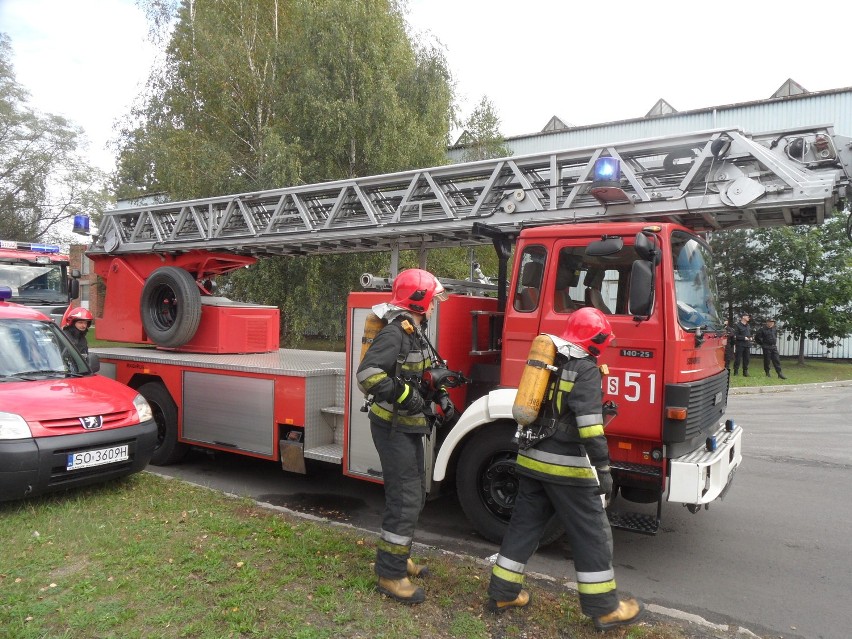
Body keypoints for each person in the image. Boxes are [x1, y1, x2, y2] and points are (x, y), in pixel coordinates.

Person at [485, 307, 645, 631]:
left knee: (524, 528)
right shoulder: (585, 369)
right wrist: (603, 468)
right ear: (595, 340)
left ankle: (502, 592)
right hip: (566, 468)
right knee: (592, 533)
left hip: (531, 461)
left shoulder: (551, 361)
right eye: (603, 341)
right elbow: (588, 428)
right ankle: (605, 609)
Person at [355, 268, 452, 605]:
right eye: (434, 298)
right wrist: (404, 398)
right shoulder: (396, 333)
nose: (437, 304)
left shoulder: (416, 330)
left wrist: (438, 395)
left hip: (411, 426)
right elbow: (367, 375)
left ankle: (399, 556)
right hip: (393, 426)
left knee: (412, 497)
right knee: (405, 499)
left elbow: (421, 373)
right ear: (419, 300)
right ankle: (390, 574)